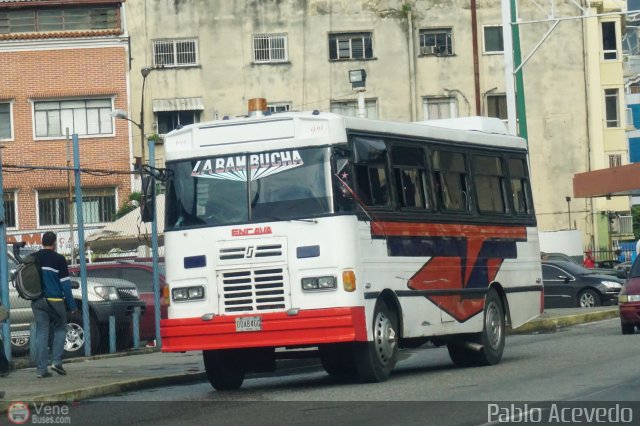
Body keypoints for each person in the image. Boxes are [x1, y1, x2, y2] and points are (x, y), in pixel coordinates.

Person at [32, 231, 77, 378]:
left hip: (37, 300)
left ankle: (41, 370)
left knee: (42, 333)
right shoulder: (59, 259)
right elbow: (65, 285)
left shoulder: (34, 257)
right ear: (54, 243)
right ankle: (56, 362)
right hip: (55, 301)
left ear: (42, 242)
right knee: (60, 328)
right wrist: (71, 305)